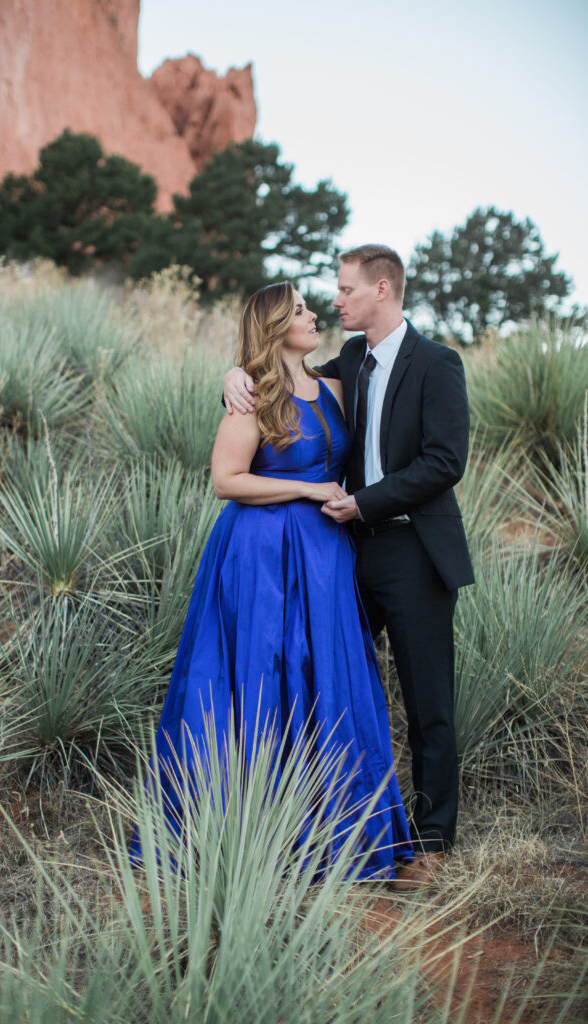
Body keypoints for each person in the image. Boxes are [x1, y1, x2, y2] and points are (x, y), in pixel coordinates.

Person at [130, 281, 412, 879]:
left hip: (324, 556)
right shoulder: (253, 394)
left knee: (324, 674)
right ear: (277, 323)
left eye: (312, 308)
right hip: (259, 554)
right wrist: (309, 487)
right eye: (303, 310)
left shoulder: (333, 383)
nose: (315, 316)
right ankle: (241, 831)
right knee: (259, 673)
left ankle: (333, 831)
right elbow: (226, 480)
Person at [223, 246, 474, 892]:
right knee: (325, 681)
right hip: (342, 552)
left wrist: (362, 500)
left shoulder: (437, 364)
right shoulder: (348, 364)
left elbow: (444, 462)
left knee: (427, 702)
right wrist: (231, 373)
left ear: (381, 289)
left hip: (412, 550)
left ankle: (431, 844)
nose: (334, 301)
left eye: (344, 290)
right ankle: (316, 820)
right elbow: (280, 377)